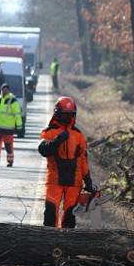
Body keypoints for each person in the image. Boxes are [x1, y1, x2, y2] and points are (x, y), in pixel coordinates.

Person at [38, 96, 98, 228]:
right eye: (64, 115)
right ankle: (47, 241)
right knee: (50, 213)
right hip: (54, 180)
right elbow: (43, 150)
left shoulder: (78, 135)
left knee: (69, 216)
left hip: (74, 182)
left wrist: (88, 181)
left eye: (69, 115)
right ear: (57, 114)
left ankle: (66, 244)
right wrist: (57, 141)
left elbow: (83, 160)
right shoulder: (50, 132)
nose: (67, 118)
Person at [0, 83, 22, 167]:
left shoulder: (13, 100)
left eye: (6, 89)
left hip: (8, 128)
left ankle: (10, 161)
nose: (4, 91)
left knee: (8, 146)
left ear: (8, 90)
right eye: (3, 89)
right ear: (1, 90)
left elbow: (17, 114)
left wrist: (19, 125)